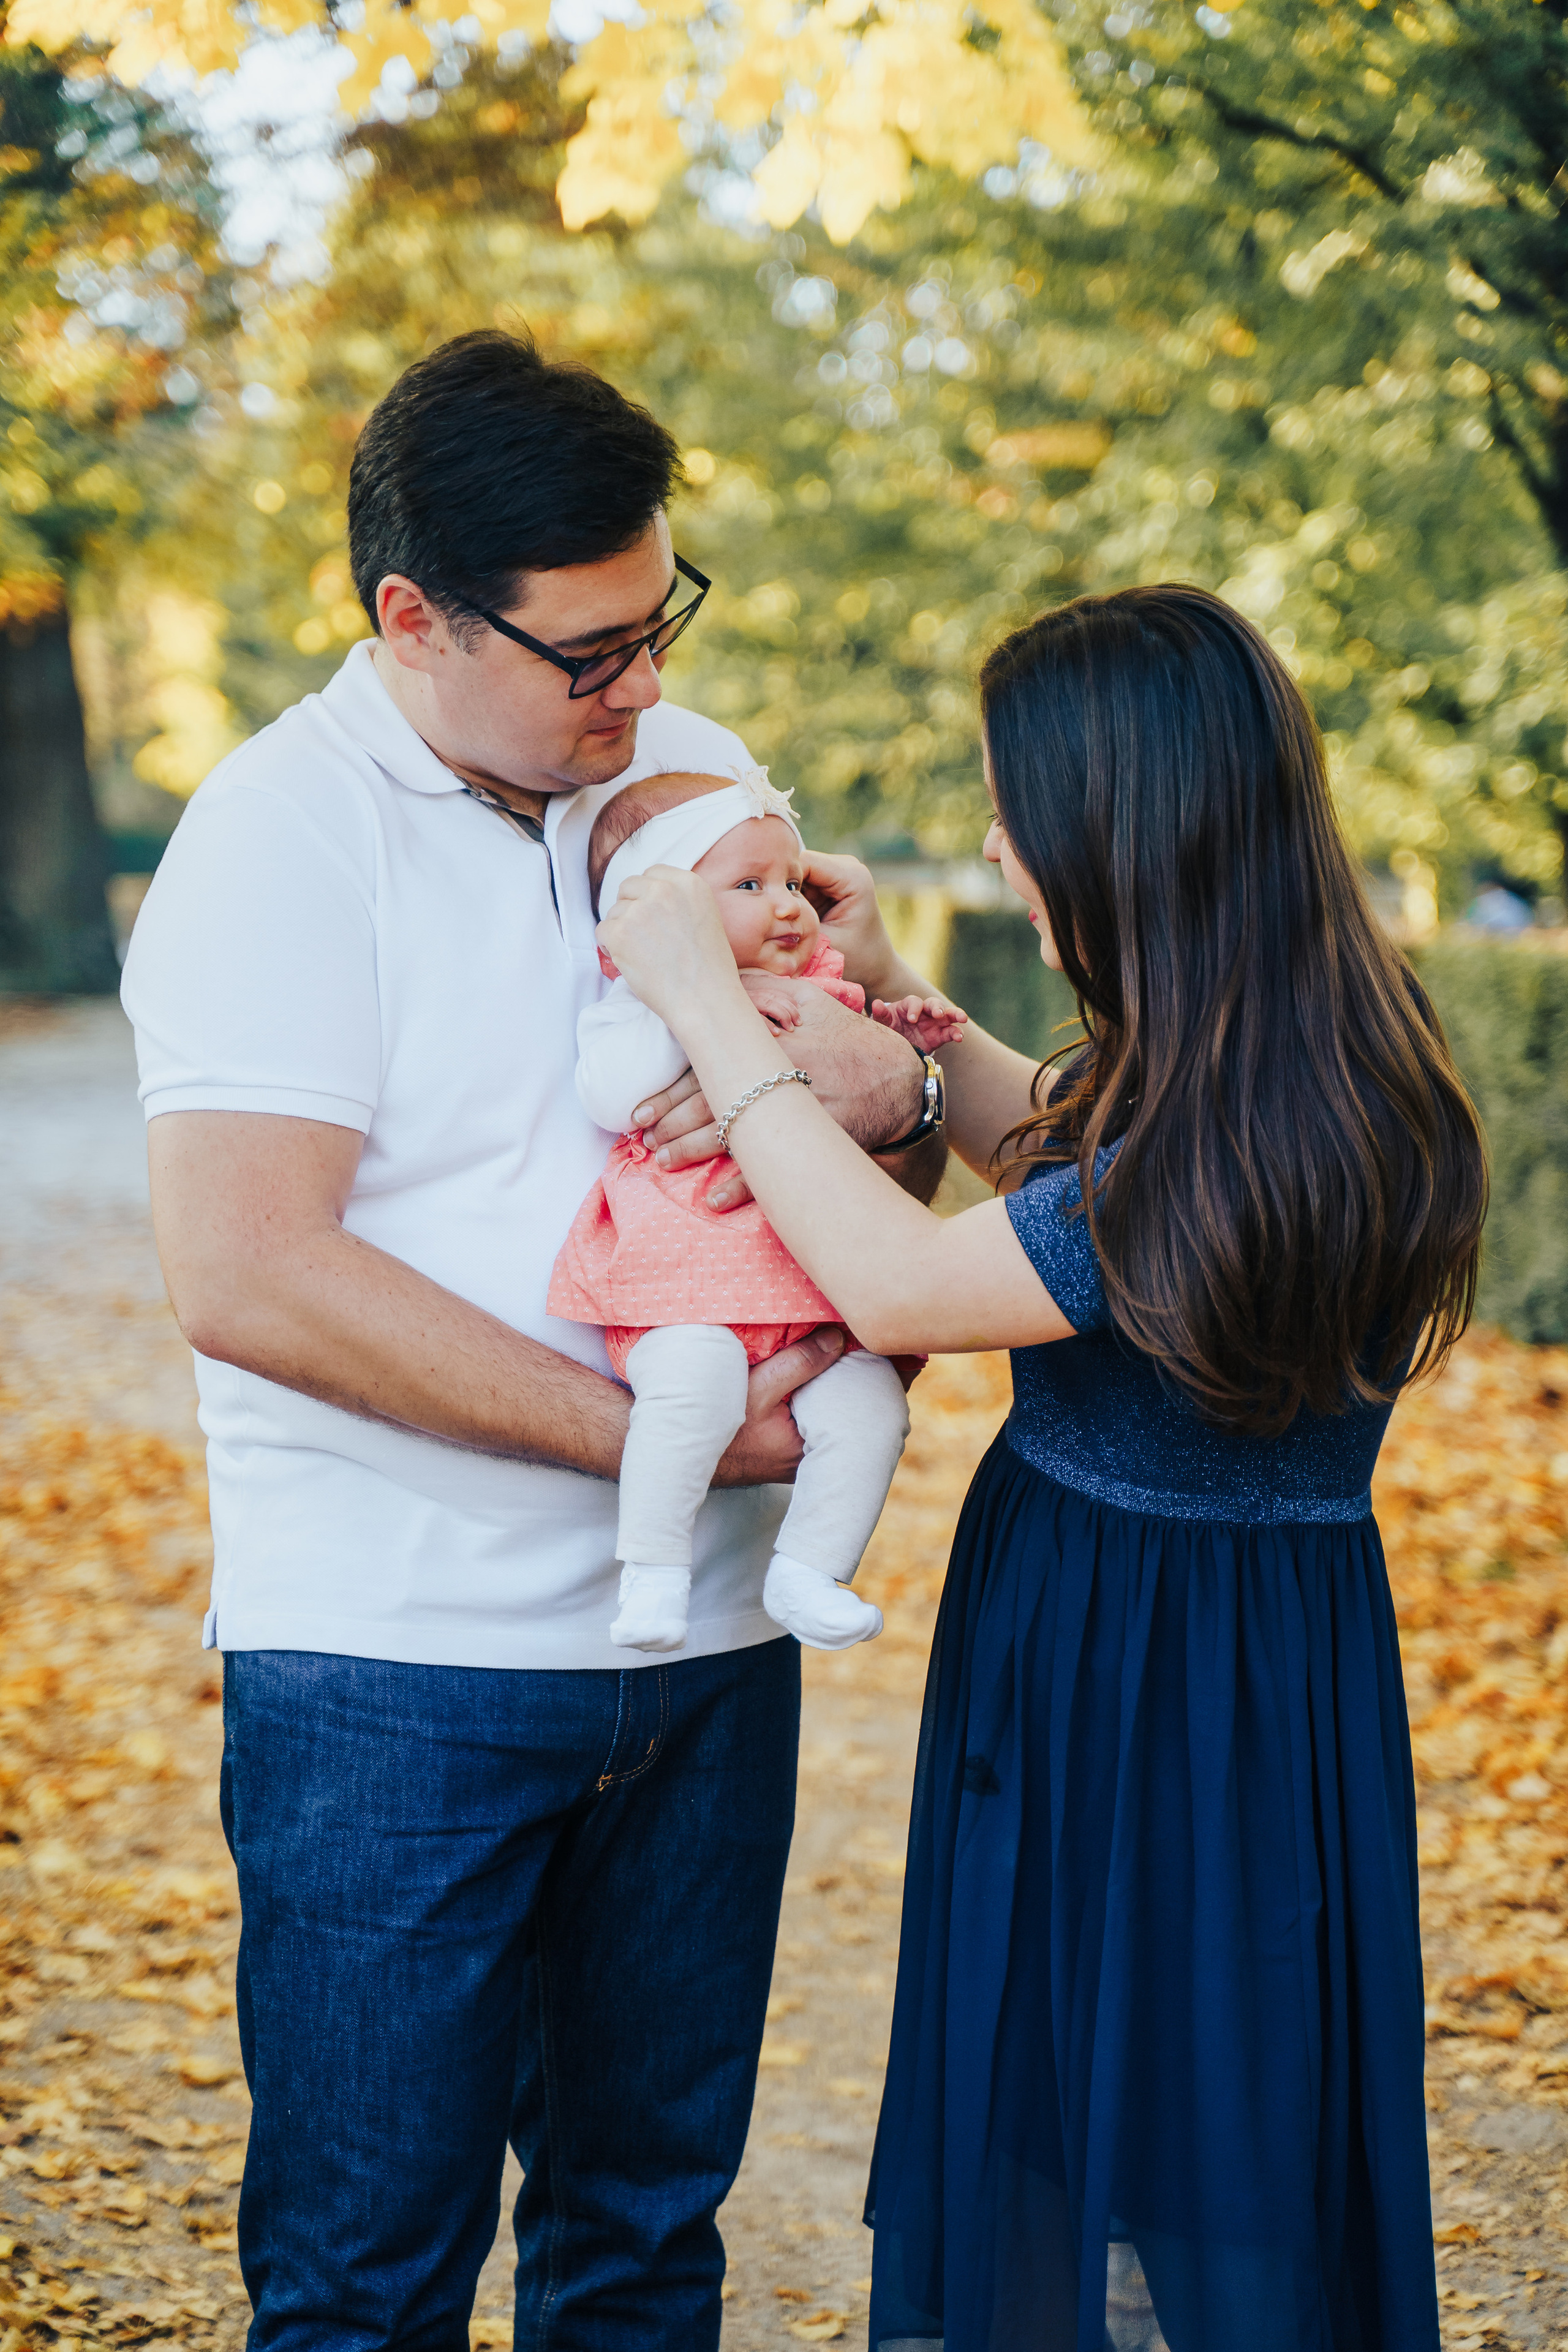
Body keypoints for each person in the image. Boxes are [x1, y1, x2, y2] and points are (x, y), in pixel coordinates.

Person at [119, 328, 944, 2351]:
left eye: (659, 619)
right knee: (367, 2275)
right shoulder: (276, 836)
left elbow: (879, 1132)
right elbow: (251, 1273)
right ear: (412, 617)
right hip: (399, 1670)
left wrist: (887, 1096)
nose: (643, 683)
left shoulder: (703, 782)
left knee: (648, 2235)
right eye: (589, 654)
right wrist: (643, 1438)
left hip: (711, 1655)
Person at [601, 582, 1488, 2352]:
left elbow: (908, 1282)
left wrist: (708, 1002)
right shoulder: (1296, 1057)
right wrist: (906, 1000)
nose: (997, 834)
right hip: (1203, 1649)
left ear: (1122, 823)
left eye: (1019, 801)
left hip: (1160, 1680)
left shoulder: (1250, 1118)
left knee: (1156, 2093)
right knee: (1164, 2075)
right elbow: (1063, 1173)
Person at [549, 763, 963, 1655]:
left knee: (870, 1411)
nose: (787, 906)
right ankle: (654, 1572)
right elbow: (617, 1096)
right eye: (749, 886)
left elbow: (878, 1100)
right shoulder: (636, 1000)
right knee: (690, 1389)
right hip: (686, 1285)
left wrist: (898, 1041)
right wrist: (691, 998)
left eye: (790, 882)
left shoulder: (823, 977)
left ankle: (810, 1568)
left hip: (808, 1290)